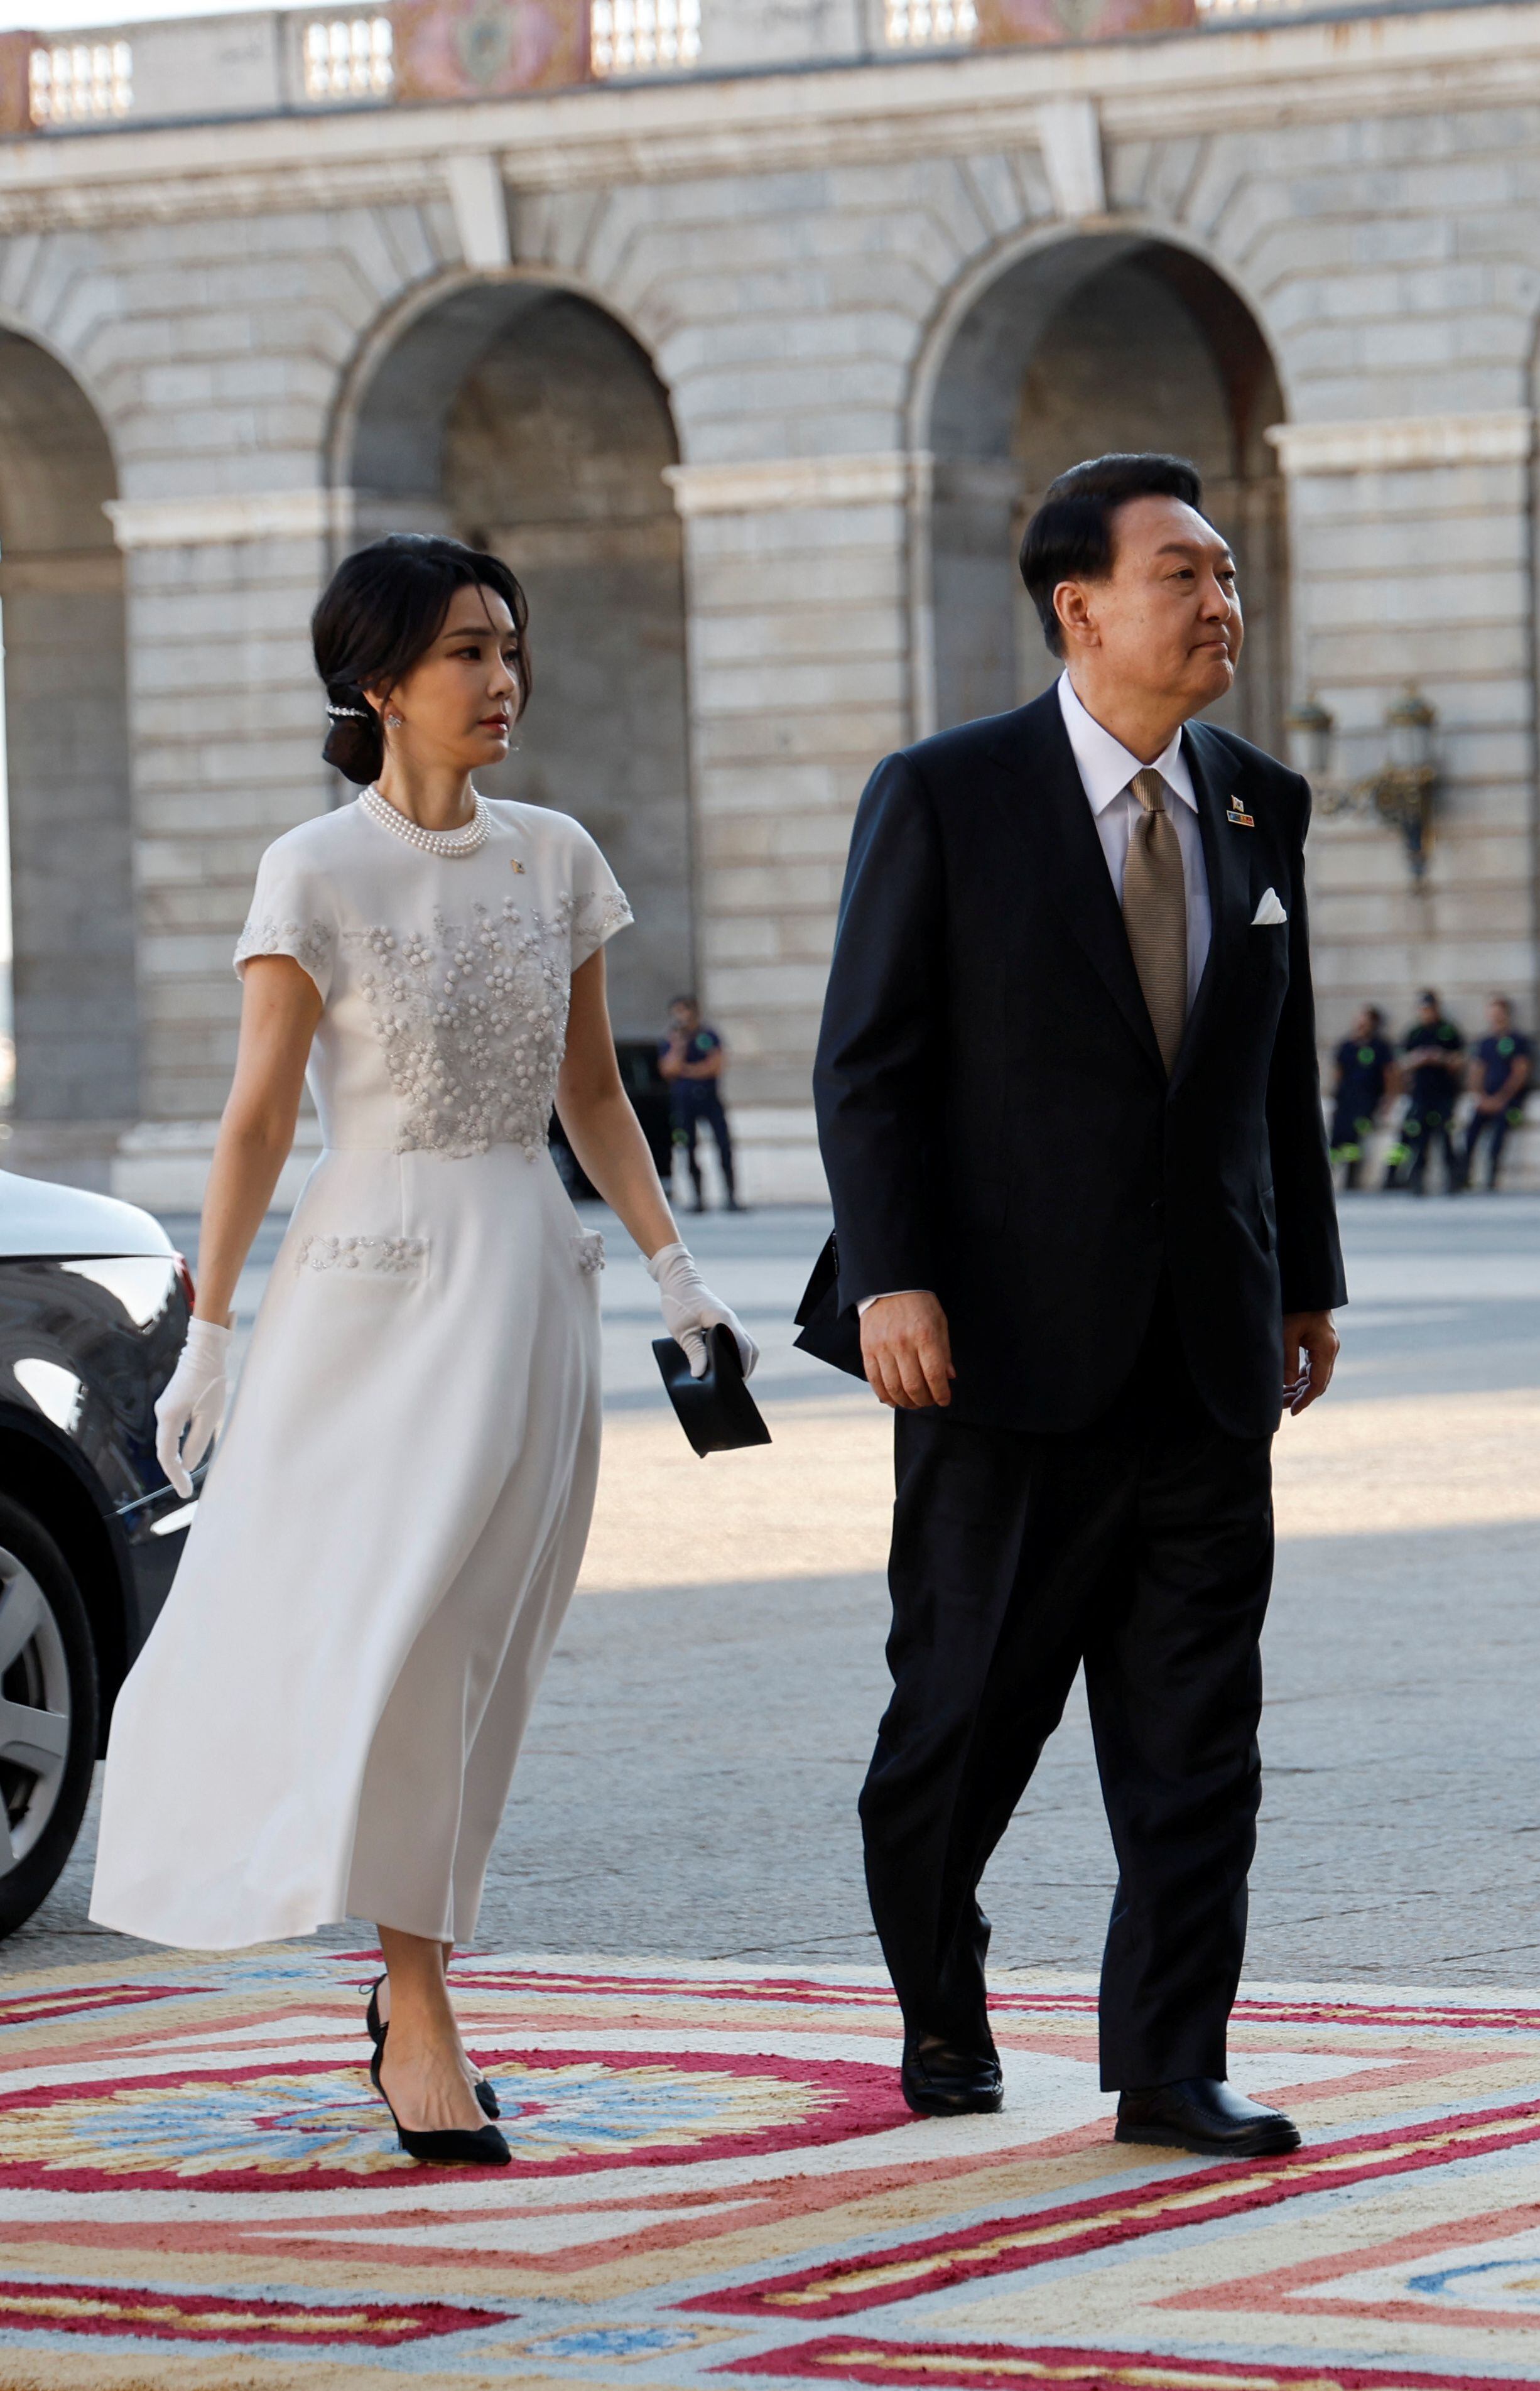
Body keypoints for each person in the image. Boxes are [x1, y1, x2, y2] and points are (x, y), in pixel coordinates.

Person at [89, 534, 756, 2167]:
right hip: (366, 1285)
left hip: (529, 1277)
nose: (502, 678)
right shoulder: (310, 867)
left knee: (477, 1639)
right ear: (379, 680)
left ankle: (420, 1969)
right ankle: (413, 1989)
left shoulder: (559, 857)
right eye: (467, 651)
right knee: (380, 1624)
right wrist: (212, 1337)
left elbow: (595, 1096)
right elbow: (256, 1118)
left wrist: (679, 1280)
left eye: (510, 647)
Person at [812, 452, 1344, 2162]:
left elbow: (1272, 1074)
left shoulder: (1257, 798)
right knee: (962, 1714)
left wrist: (1306, 1278)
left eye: (1227, 572)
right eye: (1181, 571)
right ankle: (939, 1976)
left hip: (1206, 1350)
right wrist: (892, 1272)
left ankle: (1167, 2062)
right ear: (1078, 604)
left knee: (1198, 1728)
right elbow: (868, 1066)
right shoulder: (944, 793)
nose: (1218, 600)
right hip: (997, 1347)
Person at [659, 994, 744, 1213]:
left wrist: (688, 1071)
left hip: (709, 1098)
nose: (681, 1017)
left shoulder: (708, 1035)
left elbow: (715, 1065)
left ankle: (731, 1197)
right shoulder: (672, 1039)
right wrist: (679, 1047)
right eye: (677, 1012)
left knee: (723, 1144)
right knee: (688, 1146)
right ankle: (697, 1198)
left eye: (684, 1011)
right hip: (684, 1101)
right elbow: (668, 1070)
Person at [1387, 991, 1465, 1193]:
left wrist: (1441, 1059)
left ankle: (1454, 1180)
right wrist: (1418, 1060)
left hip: (1444, 1094)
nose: (1427, 1013)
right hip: (1420, 1094)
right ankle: (1416, 1180)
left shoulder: (1448, 1031)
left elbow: (1461, 1060)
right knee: (1417, 1136)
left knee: (1445, 1135)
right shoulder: (1414, 1033)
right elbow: (1400, 1064)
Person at [1462, 994, 1532, 1190]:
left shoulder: (1518, 1040)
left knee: (1501, 1131)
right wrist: (1481, 1097)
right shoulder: (1485, 1042)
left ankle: (1491, 1176)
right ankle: (1462, 1174)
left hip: (1511, 1102)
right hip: (1487, 1100)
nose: (1495, 1017)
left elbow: (1521, 1072)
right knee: (1470, 1132)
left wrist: (1502, 1098)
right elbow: (1477, 1071)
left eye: (1499, 1013)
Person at [1329, 1005, 1396, 1190]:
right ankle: (1327, 1177)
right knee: (1337, 1137)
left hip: (1367, 1100)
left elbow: (1389, 1074)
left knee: (1355, 1135)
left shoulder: (1380, 1046)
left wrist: (1389, 1099)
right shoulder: (1346, 1046)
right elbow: (1338, 1073)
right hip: (1345, 1099)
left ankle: (1352, 1178)